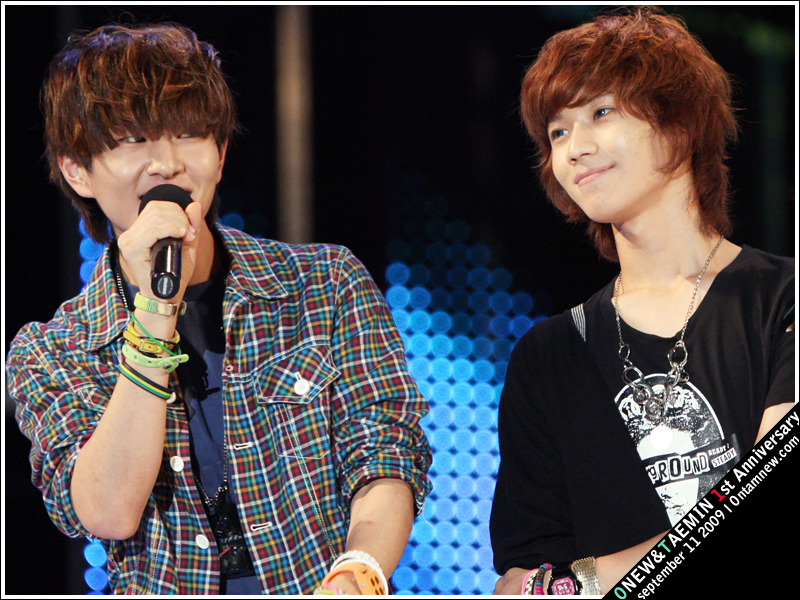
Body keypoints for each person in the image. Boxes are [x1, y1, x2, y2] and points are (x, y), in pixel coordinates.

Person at [6, 22, 432, 595]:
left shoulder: (325, 283)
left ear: (221, 152)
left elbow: (385, 452)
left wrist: (359, 571)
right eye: (134, 139)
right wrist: (155, 311)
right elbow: (107, 511)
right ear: (75, 169)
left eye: (188, 133)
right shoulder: (52, 350)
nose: (166, 164)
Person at [491, 7, 794, 595]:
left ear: (678, 122)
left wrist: (590, 580)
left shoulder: (782, 300)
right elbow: (521, 580)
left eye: (600, 113)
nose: (574, 149)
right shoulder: (546, 359)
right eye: (557, 132)